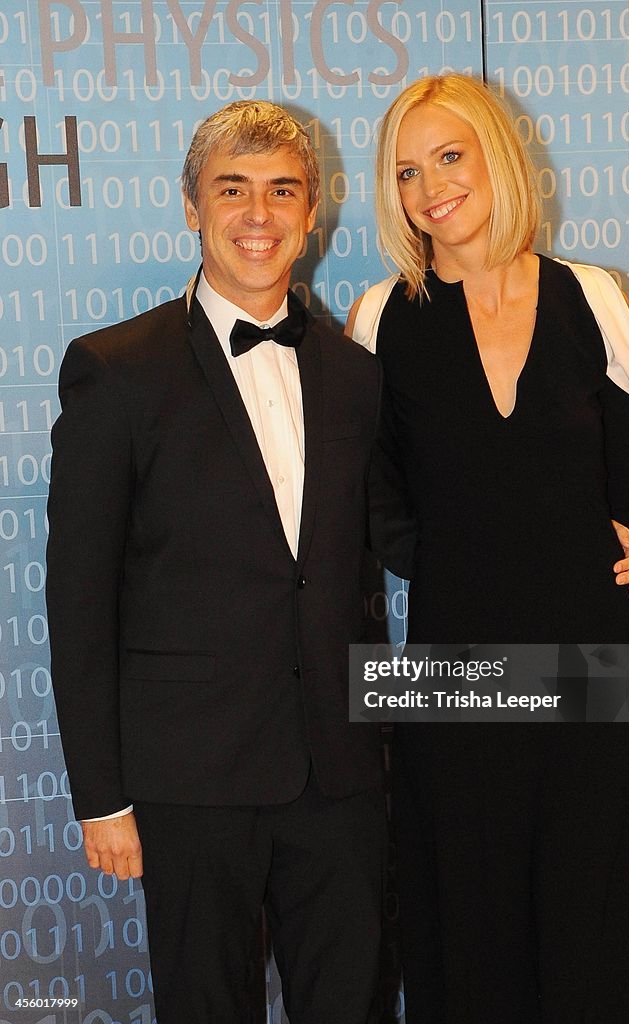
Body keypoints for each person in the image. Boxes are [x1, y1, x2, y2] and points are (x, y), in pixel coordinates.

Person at [348, 74, 629, 1024]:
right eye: (408, 171)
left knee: (585, 948)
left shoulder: (593, 298)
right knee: (465, 946)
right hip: (454, 679)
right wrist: (487, 547)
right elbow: (378, 513)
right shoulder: (381, 319)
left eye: (449, 157)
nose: (430, 190)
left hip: (586, 675)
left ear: (497, 156)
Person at [46, 101, 387, 1024]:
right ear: (191, 206)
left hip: (343, 776)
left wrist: (590, 542)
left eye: (282, 191)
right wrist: (101, 798)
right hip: (189, 779)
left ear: (313, 212)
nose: (258, 215)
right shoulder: (116, 370)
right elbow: (79, 600)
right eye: (231, 189)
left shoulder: (358, 376)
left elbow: (393, 550)